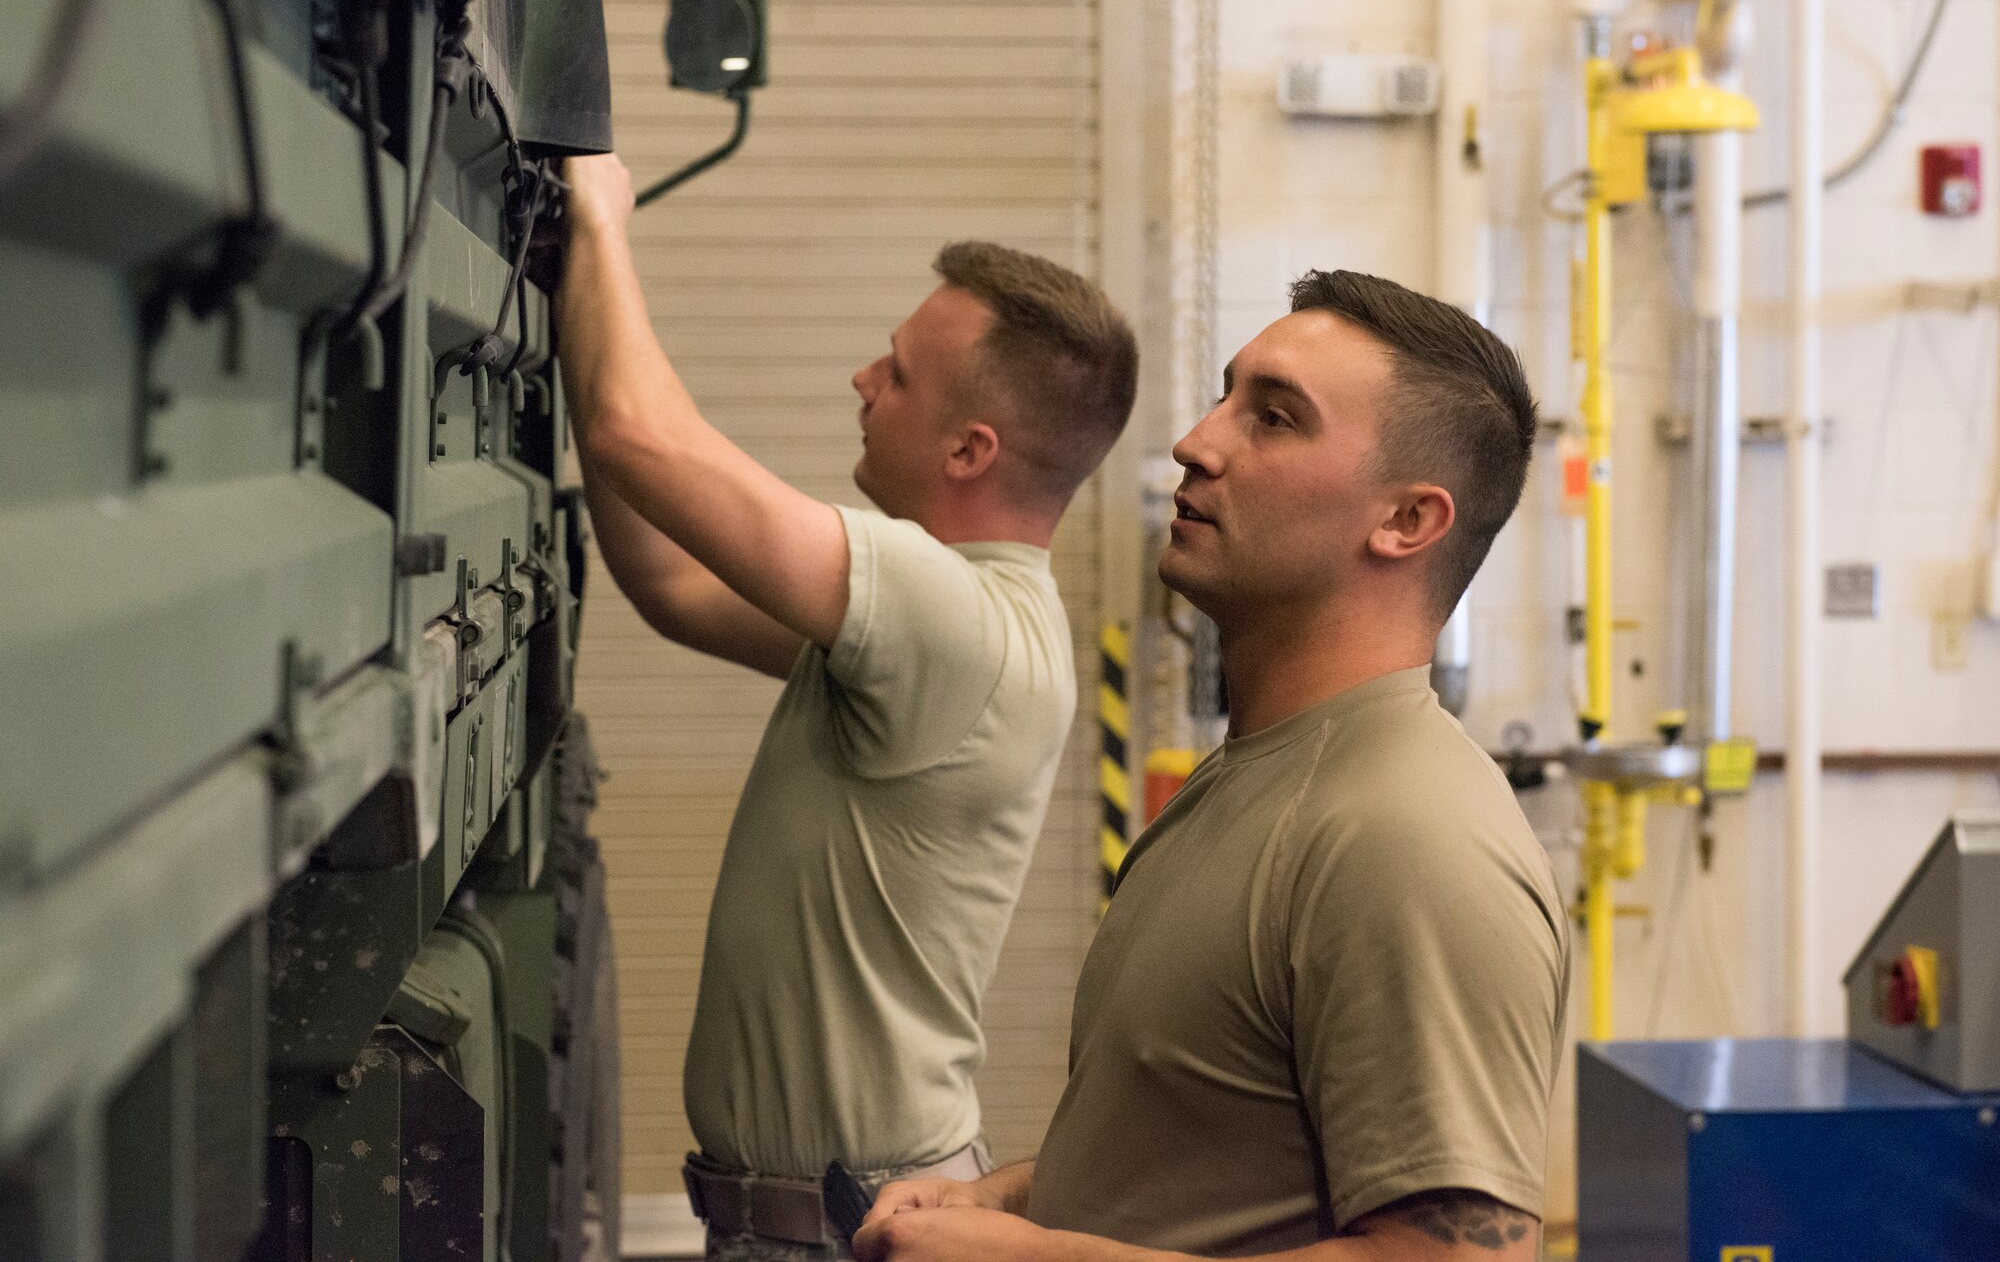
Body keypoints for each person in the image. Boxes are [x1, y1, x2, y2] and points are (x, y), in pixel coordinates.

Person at [853, 270, 1569, 1262]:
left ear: (1406, 521)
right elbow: (1209, 1162)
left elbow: (1450, 1256)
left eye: (1272, 418)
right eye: (1225, 395)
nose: (1197, 439)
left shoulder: (1406, 836)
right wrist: (1005, 1198)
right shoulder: (1255, 778)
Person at [553, 154, 1140, 1261]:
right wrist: (577, 310)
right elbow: (675, 585)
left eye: (901, 375)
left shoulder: (947, 616)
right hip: (811, 1217)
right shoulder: (941, 626)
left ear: (971, 449)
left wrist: (599, 217)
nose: (862, 379)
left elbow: (646, 439)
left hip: (847, 1227)